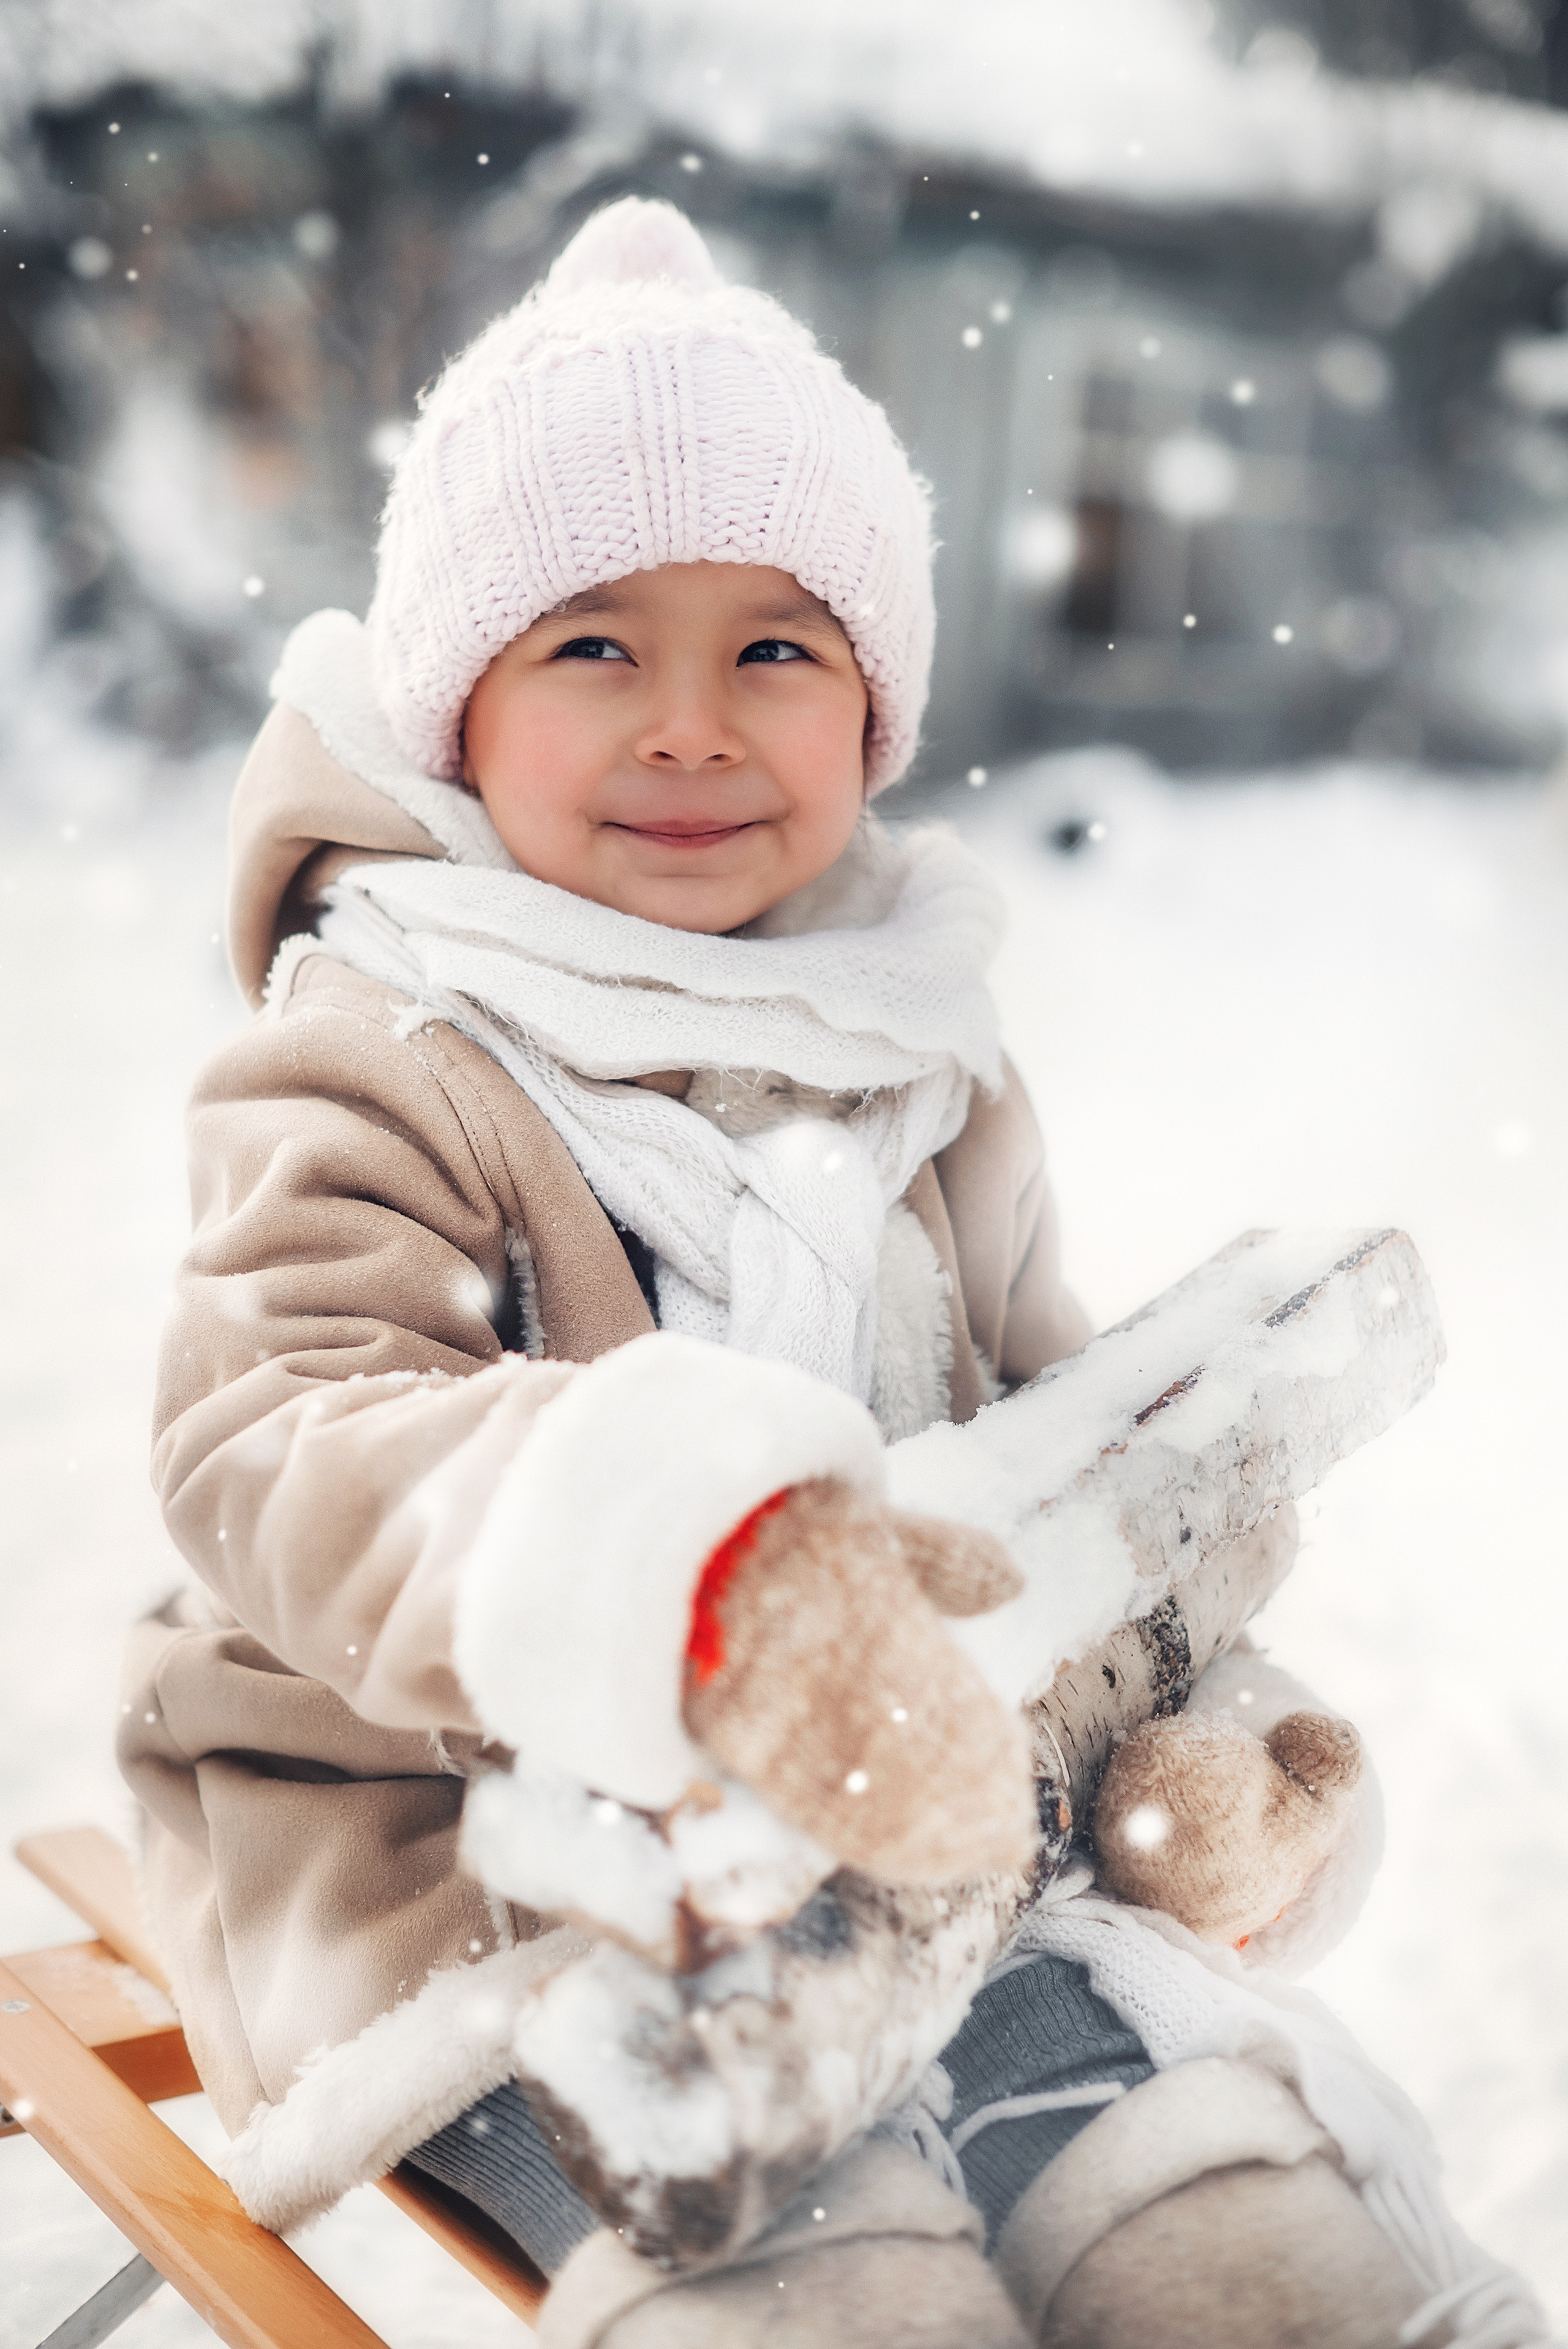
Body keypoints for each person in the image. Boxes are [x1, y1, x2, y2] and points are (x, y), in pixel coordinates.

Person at [119, 200, 1494, 2348]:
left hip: (913, 1863)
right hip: (476, 1877)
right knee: (819, 2228)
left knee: (1180, 2171)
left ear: (874, 718)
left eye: (775, 647)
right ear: (455, 709)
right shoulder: (377, 1038)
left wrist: (1198, 1730)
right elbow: (282, 1433)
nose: (690, 722)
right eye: (592, 643)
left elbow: (1040, 1474)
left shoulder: (925, 1075)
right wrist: (694, 1569)